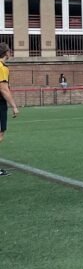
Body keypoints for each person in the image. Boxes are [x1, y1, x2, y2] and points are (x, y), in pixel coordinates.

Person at [0, 42, 20, 177]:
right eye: (9, 50)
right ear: (6, 53)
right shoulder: (2, 67)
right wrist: (14, 106)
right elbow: (3, 88)